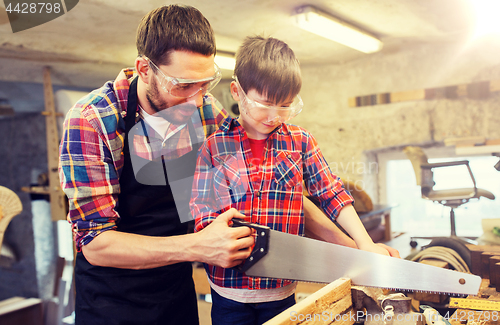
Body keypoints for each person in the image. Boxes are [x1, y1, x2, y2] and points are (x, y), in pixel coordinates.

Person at [58, 5, 257, 325]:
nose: (196, 99)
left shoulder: (205, 109)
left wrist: (356, 245)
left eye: (205, 83)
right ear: (144, 69)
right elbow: (96, 243)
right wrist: (198, 246)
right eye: (182, 86)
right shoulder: (93, 120)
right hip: (111, 302)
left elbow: (258, 171)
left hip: (175, 294)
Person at [190, 36, 399, 325]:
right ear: (237, 92)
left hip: (282, 293)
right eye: (264, 104)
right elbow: (202, 212)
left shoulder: (300, 142)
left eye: (285, 106)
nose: (274, 116)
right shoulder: (213, 148)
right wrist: (220, 234)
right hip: (228, 294)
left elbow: (332, 193)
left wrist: (365, 245)